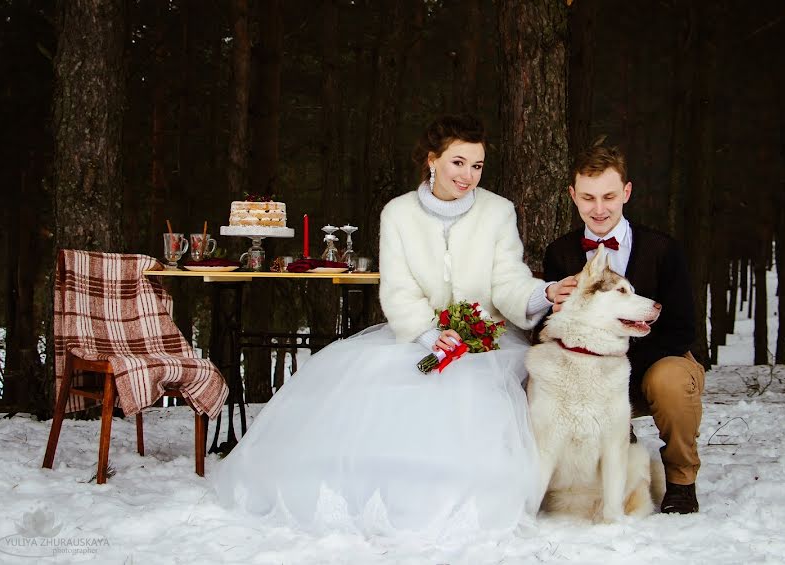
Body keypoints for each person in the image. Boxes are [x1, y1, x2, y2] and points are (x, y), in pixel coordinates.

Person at [212, 114, 554, 537]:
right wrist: (431, 334)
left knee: (475, 394)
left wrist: (543, 295)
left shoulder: (498, 211)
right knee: (395, 394)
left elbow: (507, 280)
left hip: (485, 342)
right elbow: (397, 290)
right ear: (432, 160)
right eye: (458, 163)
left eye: (478, 166)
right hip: (417, 336)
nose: (469, 176)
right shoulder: (398, 213)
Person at [543, 142, 706, 514]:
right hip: (587, 370)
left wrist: (618, 368)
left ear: (627, 192)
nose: (598, 209)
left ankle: (681, 481)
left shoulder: (663, 249)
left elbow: (681, 328)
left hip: (655, 362)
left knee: (670, 381)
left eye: (609, 196)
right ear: (572, 195)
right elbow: (556, 323)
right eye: (587, 198)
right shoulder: (560, 252)